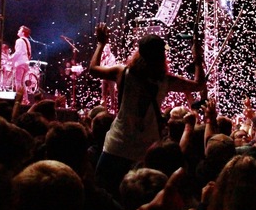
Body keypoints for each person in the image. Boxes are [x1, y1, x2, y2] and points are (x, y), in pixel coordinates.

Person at [87, 23, 206, 196]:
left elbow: (93, 69)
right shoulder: (165, 80)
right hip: (146, 151)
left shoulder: (123, 72)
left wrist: (101, 43)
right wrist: (197, 59)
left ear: (139, 53)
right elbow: (198, 85)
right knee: (140, 197)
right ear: (162, 56)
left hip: (117, 145)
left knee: (103, 194)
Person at [11, 26, 32, 101]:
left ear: (23, 32)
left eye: (19, 30)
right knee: (22, 82)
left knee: (18, 81)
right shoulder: (27, 41)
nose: (18, 31)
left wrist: (10, 58)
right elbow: (29, 53)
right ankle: (25, 99)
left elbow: (18, 52)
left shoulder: (19, 40)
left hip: (20, 63)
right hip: (26, 63)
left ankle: (19, 99)